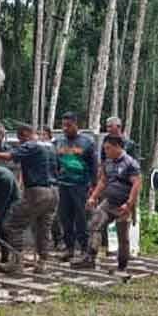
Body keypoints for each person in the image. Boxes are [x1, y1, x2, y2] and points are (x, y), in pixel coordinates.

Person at [0, 124, 59, 273]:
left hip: (37, 192)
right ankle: (43, 263)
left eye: (19, 140)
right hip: (54, 192)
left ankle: (16, 262)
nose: (20, 143)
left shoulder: (31, 145)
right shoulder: (50, 147)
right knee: (43, 228)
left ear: (24, 135)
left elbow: (10, 157)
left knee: (13, 224)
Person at [77, 135, 141, 271]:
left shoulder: (131, 163)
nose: (106, 151)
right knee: (95, 223)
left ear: (118, 147)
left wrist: (129, 204)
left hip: (124, 204)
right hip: (108, 202)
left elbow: (136, 184)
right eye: (105, 148)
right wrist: (93, 197)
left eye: (108, 148)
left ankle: (122, 266)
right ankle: (90, 257)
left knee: (123, 237)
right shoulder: (108, 162)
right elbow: (103, 181)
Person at [55, 112, 98, 262]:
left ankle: (84, 249)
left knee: (81, 218)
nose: (65, 128)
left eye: (68, 125)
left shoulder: (87, 142)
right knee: (65, 218)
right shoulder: (59, 142)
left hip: (80, 186)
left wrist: (94, 186)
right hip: (63, 185)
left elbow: (94, 166)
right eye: (63, 126)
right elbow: (56, 162)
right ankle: (69, 249)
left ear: (75, 124)